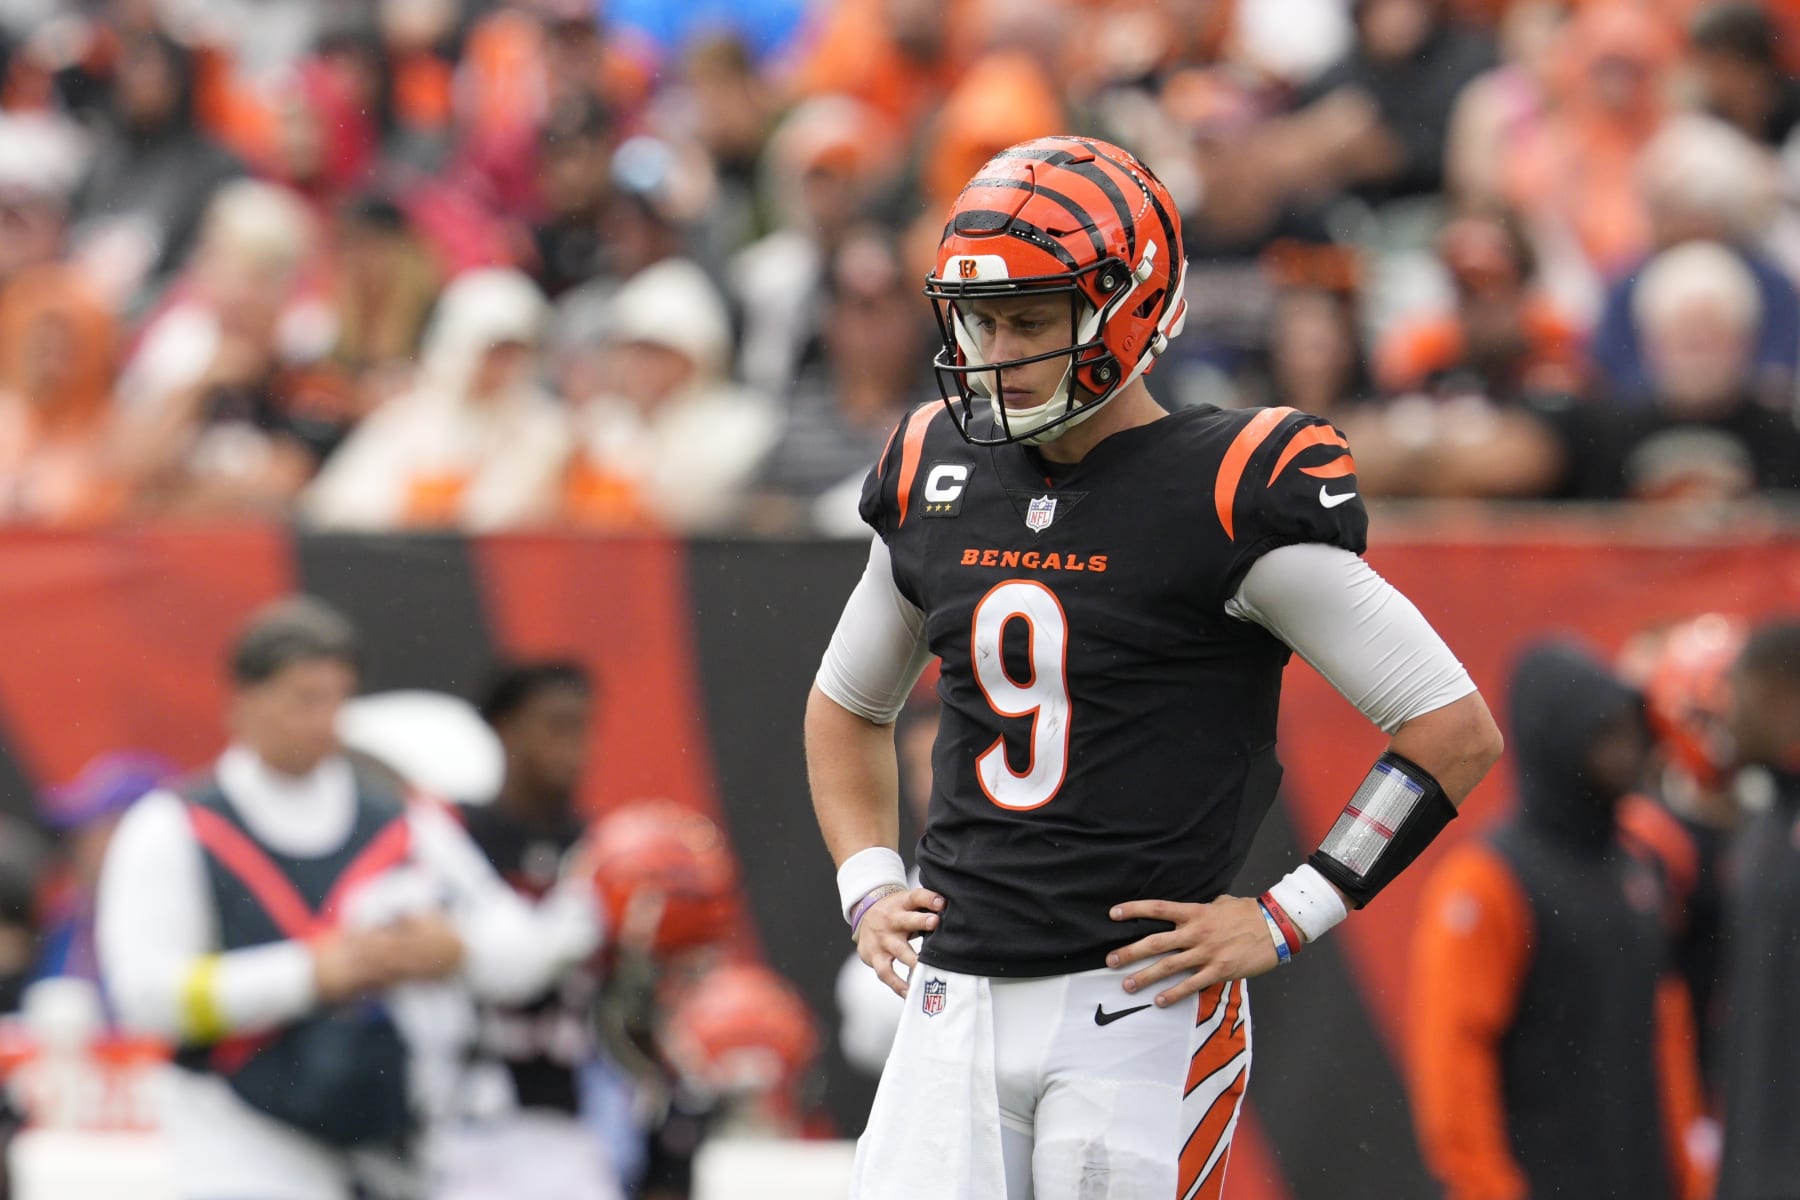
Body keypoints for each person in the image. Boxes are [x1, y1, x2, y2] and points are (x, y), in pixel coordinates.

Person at [806, 135, 1503, 1200]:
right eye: (982, 319)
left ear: (1129, 307)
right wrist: (867, 881)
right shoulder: (937, 468)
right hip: (953, 997)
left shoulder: (1225, 487)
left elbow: (1451, 729)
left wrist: (1292, 911)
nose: (998, 349)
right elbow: (847, 705)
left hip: (1133, 1007)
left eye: (1032, 319)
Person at [94, 596, 597, 1200]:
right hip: (237, 1138)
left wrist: (455, 950)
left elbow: (523, 953)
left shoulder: (403, 819)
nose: (323, 720)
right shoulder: (174, 825)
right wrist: (312, 973)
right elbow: (143, 996)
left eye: (336, 698)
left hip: (384, 1141)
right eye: (303, 700)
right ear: (244, 703)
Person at [1409, 641, 1709, 1200]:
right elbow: (1452, 1053)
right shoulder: (1486, 880)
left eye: (1632, 733)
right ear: (1557, 742)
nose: (1629, 752)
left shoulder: (1639, 868)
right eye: (1606, 735)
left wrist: (1692, 1179)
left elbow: (1665, 1033)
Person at [441, 661, 622, 1200]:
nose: (576, 747)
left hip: (573, 1115)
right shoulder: (451, 837)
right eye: (556, 726)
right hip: (459, 1110)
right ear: (504, 727)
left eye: (583, 728)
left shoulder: (607, 846)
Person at [1716, 619, 1800, 1200]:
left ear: (1775, 693)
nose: (1727, 716)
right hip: (1757, 1155)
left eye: (1735, 693)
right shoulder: (1767, 823)